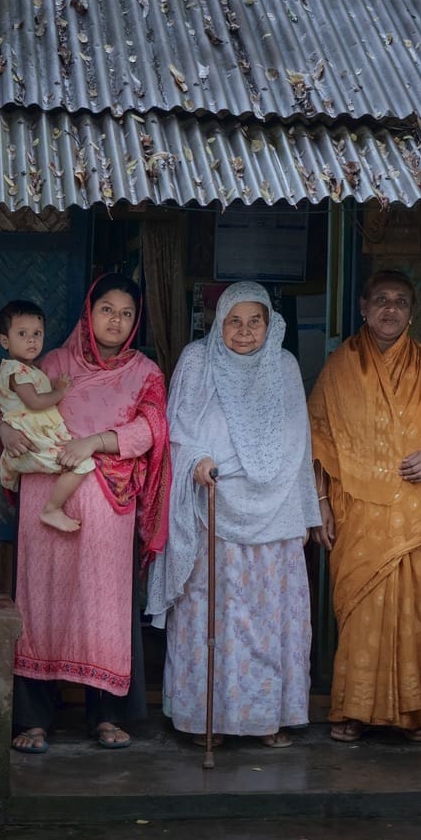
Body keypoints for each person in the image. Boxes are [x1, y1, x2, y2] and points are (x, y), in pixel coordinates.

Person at [0, 274, 170, 754]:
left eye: (126, 313)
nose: (116, 321)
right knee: (41, 601)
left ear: (136, 322)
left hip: (109, 503)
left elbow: (152, 429)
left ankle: (107, 716)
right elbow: (9, 408)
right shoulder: (52, 362)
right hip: (46, 497)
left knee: (103, 607)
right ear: (89, 313)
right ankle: (32, 720)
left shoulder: (144, 372)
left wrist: (93, 442)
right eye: (107, 309)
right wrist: (5, 432)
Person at [147, 282, 322, 749]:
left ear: (270, 324)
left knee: (269, 621)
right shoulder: (197, 361)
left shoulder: (283, 366)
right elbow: (176, 431)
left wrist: (302, 513)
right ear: (218, 323)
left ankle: (266, 718)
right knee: (212, 620)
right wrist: (197, 460)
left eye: (254, 321)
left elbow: (298, 444)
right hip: (212, 507)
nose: (244, 332)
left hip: (275, 514)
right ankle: (209, 718)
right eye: (234, 321)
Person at [308, 269, 421, 743]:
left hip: (415, 516)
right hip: (358, 516)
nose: (390, 309)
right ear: (363, 307)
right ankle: (353, 710)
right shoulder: (339, 367)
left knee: (417, 613)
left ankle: (417, 712)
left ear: (412, 313)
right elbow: (317, 438)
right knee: (360, 616)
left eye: (400, 301)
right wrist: (320, 503)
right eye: (381, 300)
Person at [0, 299, 95, 533]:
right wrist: (60, 391)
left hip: (35, 435)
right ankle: (52, 508)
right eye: (22, 334)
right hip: (30, 439)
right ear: (5, 341)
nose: (31, 340)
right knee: (81, 463)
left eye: (37, 334)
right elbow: (35, 402)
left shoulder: (28, 370)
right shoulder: (15, 370)